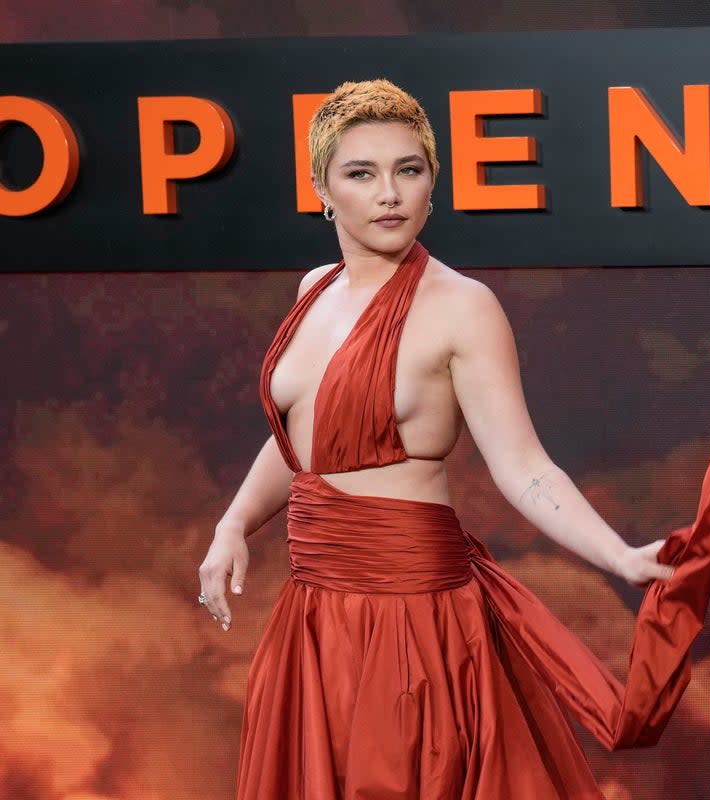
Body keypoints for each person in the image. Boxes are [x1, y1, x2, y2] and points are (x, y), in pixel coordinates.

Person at [197, 78, 673, 799]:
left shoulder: (463, 308)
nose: (389, 193)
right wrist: (234, 523)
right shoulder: (314, 289)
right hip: (314, 616)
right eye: (362, 173)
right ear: (324, 190)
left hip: (412, 621)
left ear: (432, 185)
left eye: (408, 170)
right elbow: (307, 441)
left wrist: (620, 555)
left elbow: (524, 467)